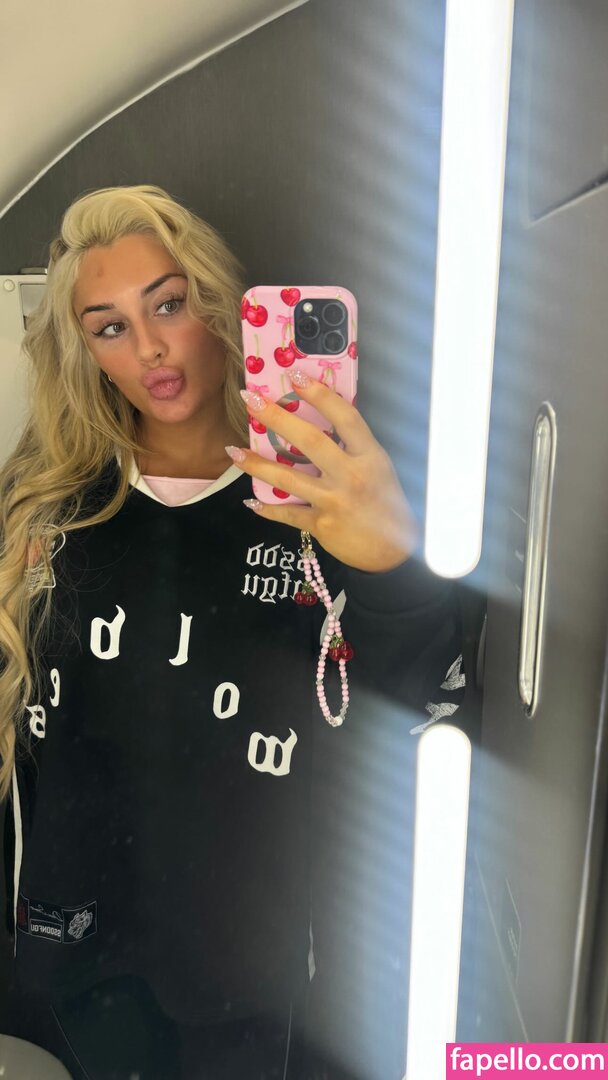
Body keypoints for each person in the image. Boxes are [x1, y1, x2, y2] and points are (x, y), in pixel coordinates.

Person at [0, 185, 466, 1079]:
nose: (149, 348)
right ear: (86, 351)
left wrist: (391, 567)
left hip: (257, 974)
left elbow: (414, 708)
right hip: (72, 958)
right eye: (109, 326)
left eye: (169, 304)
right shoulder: (53, 505)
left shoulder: (323, 502)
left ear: (220, 304)